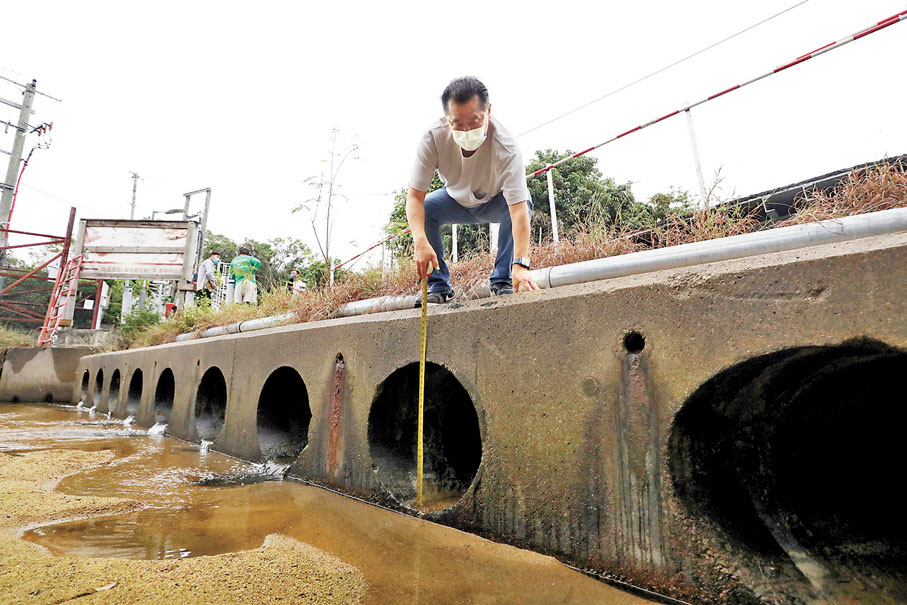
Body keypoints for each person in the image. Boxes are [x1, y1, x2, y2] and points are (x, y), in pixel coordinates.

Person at [406, 76, 540, 305]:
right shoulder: (432, 139)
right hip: (453, 200)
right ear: (447, 118)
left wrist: (521, 265)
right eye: (457, 124)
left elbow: (518, 210)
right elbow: (414, 199)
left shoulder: (507, 147)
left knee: (523, 200)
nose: (467, 131)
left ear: (489, 111)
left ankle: (503, 279)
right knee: (426, 208)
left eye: (475, 121)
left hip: (496, 201)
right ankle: (439, 286)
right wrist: (420, 241)